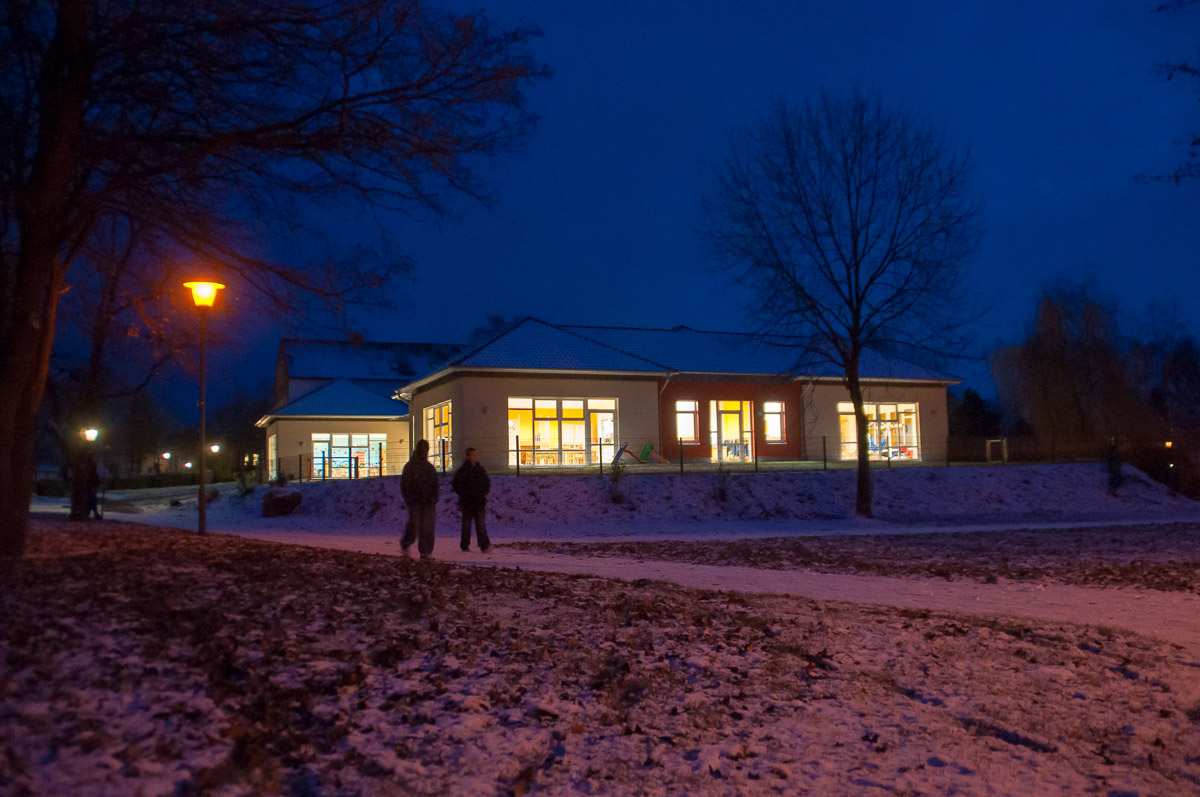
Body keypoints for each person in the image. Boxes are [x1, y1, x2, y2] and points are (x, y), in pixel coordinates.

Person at [400, 439, 440, 559]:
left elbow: (435, 484)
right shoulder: (412, 467)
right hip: (416, 501)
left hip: (426, 502)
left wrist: (433, 497)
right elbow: (405, 485)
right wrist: (410, 498)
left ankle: (425, 551)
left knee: (426, 526)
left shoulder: (427, 468)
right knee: (415, 525)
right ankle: (409, 543)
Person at [451, 447, 491, 552]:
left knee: (480, 524)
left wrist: (483, 492)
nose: (474, 457)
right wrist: (464, 494)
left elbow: (487, 483)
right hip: (468, 501)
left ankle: (483, 545)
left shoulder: (479, 470)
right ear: (468, 456)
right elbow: (456, 484)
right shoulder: (463, 471)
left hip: (477, 501)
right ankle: (466, 545)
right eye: (472, 455)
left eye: (475, 455)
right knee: (467, 525)